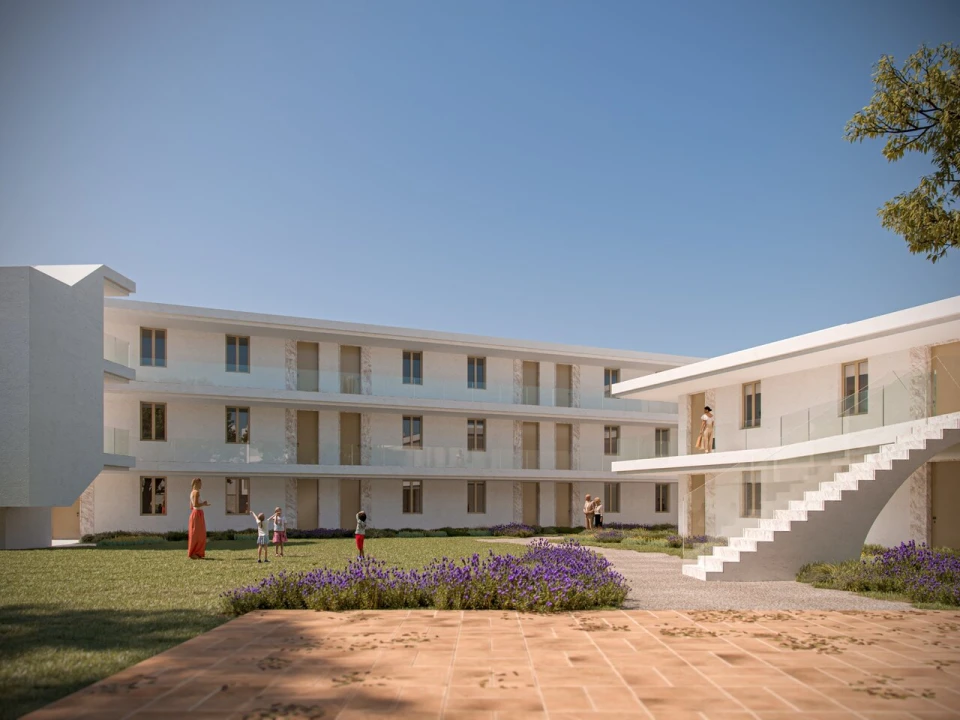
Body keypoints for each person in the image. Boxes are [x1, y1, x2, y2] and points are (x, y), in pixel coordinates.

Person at [187, 478, 210, 559]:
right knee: (198, 534)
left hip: (195, 513)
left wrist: (203, 504)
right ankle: (194, 553)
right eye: (200, 483)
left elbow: (191, 506)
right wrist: (203, 503)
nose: (201, 485)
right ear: (196, 483)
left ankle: (197, 553)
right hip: (197, 514)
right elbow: (195, 505)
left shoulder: (192, 493)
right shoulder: (196, 492)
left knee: (197, 534)